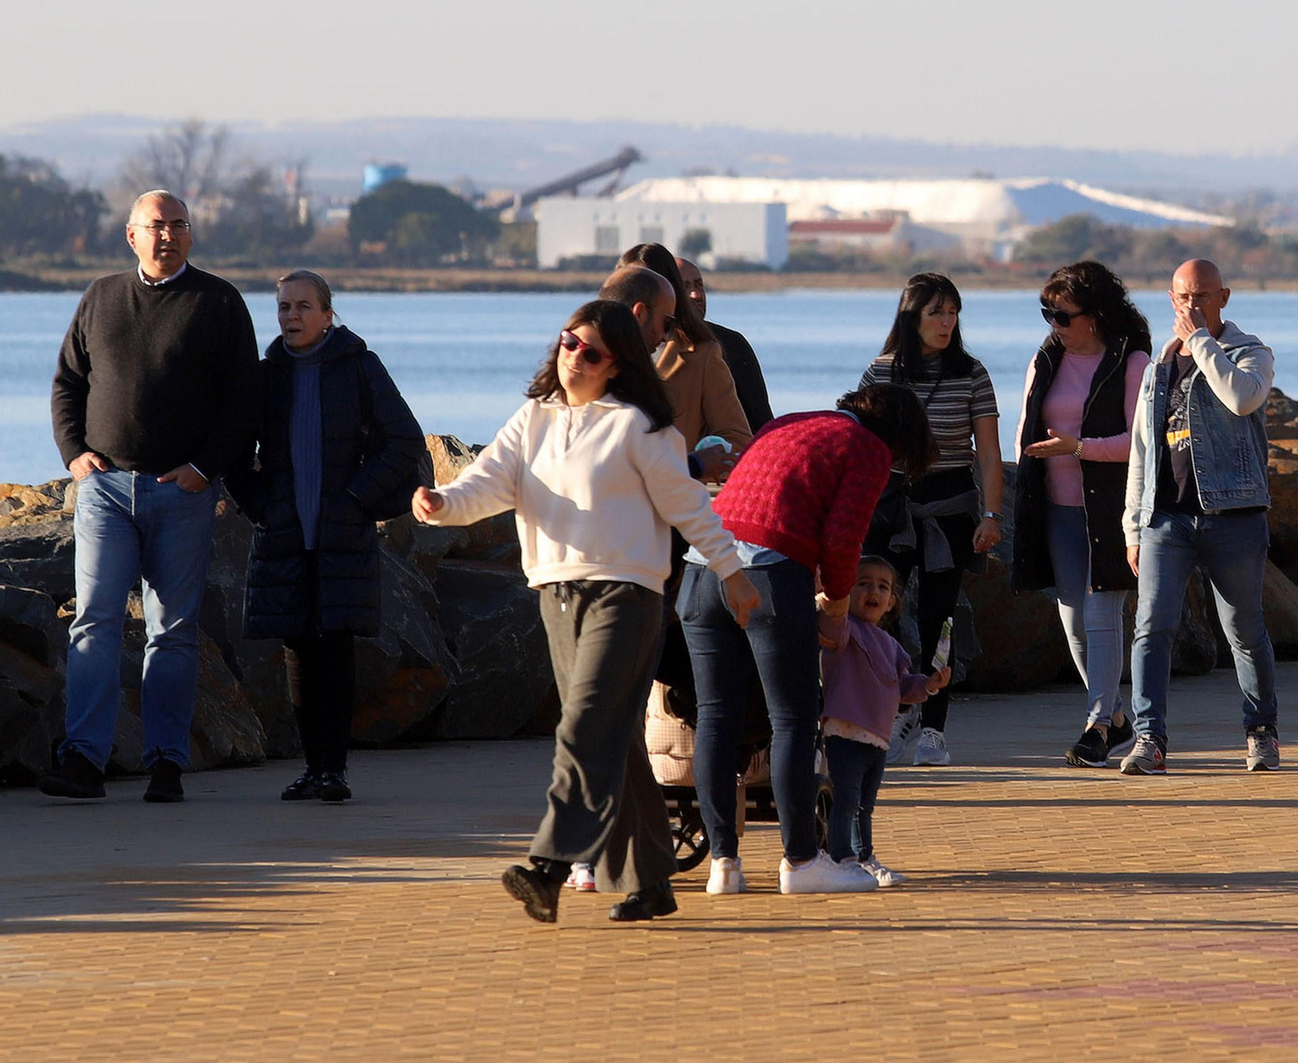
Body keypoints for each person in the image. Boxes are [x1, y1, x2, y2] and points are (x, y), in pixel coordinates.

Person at [414, 300, 759, 925]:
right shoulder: (533, 420)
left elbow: (688, 505)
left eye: (592, 351)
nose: (575, 356)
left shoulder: (639, 427)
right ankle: (652, 881)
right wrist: (441, 504)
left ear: (618, 364)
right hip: (555, 593)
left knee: (584, 726)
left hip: (625, 594)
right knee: (614, 739)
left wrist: (732, 573)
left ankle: (550, 865)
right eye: (570, 342)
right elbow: (487, 485)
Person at [40, 190, 258, 803]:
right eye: (156, 226)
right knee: (95, 623)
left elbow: (244, 401)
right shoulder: (101, 297)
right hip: (105, 489)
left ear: (192, 235)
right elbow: (67, 383)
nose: (168, 235)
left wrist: (203, 468)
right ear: (131, 236)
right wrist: (73, 453)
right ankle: (84, 760)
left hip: (181, 493)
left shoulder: (218, 302)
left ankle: (166, 763)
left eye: (179, 225)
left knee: (173, 630)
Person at [677, 384, 937, 896]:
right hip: (769, 574)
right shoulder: (868, 449)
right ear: (900, 437)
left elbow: (765, 496)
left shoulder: (789, 423)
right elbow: (843, 540)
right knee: (792, 718)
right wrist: (837, 612)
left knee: (716, 715)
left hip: (701, 571)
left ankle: (724, 864)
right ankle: (800, 861)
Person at [227, 271, 426, 804]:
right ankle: (311, 769)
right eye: (284, 307)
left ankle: (334, 771)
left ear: (327, 314)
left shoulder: (360, 367)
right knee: (297, 648)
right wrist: (262, 506)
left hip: (342, 531)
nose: (291, 316)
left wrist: (359, 497)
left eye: (303, 307)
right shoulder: (266, 375)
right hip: (285, 532)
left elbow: (404, 439)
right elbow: (232, 452)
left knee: (335, 649)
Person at [1120, 259, 1279, 776]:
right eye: (1185, 297)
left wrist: (1204, 346)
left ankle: (1261, 732)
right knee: (1151, 629)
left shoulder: (1249, 352)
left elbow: (1241, 398)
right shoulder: (1157, 368)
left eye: (1204, 296)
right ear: (1171, 299)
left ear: (1224, 297)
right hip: (1165, 518)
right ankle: (1149, 740)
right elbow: (1143, 448)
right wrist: (1132, 526)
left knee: (1244, 629)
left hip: (1233, 514)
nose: (1193, 306)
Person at [1012, 262, 1152, 768]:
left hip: (1111, 509)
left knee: (1101, 615)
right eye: (1046, 312)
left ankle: (1097, 722)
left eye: (1062, 314)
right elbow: (1027, 424)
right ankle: (1116, 719)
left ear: (1093, 317)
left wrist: (1080, 448)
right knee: (1072, 621)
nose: (1053, 323)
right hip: (1056, 509)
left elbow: (1141, 443)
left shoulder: (1131, 364)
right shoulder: (1045, 358)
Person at [859, 273, 1003, 768]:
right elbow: (858, 443)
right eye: (936, 312)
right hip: (891, 503)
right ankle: (898, 708)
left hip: (950, 505)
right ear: (911, 317)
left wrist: (991, 514)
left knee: (940, 617)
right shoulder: (880, 373)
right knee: (882, 610)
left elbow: (987, 452)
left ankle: (934, 729)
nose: (947, 322)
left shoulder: (972, 373)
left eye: (953, 312)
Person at [819, 555, 950, 886]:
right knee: (846, 802)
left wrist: (929, 685)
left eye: (882, 586)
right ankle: (842, 858)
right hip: (844, 732)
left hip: (877, 738)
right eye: (863, 583)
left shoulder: (890, 645)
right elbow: (829, 621)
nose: (873, 592)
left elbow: (903, 686)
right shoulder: (843, 630)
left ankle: (864, 858)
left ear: (892, 601)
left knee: (865, 805)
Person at [617, 243, 752, 458]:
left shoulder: (703, 353)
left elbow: (738, 437)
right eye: (631, 285)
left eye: (649, 285)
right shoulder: (588, 349)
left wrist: (696, 464)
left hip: (671, 488)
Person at [677, 256, 774, 431]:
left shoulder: (731, 344)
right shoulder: (643, 347)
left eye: (699, 285)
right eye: (685, 287)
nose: (696, 295)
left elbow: (761, 422)